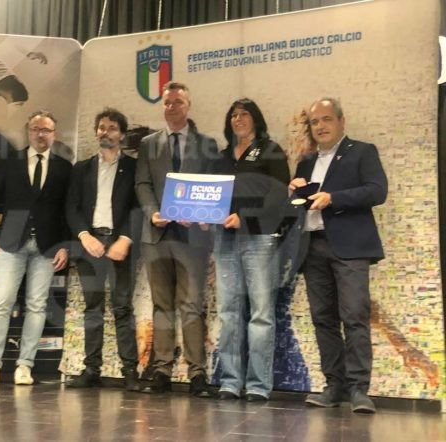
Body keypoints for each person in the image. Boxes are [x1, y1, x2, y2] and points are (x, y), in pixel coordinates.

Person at [288, 98, 387, 413]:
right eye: (315, 121)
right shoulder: (306, 161)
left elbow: (377, 191)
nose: (320, 126)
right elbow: (302, 204)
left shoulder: (362, 151)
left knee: (354, 316)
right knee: (323, 319)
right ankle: (334, 386)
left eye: (327, 119)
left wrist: (334, 198)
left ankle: (359, 390)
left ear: (341, 121)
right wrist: (294, 191)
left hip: (350, 247)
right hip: (312, 246)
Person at [0, 110, 72, 385]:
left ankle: (25, 366)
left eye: (46, 130)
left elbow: (68, 210)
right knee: (2, 301)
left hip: (48, 245)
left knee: (37, 306)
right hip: (11, 241)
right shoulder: (10, 162)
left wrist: (65, 245)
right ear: (28, 131)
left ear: (54, 134)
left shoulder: (65, 168)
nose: (41, 134)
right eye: (36, 129)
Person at [134, 81, 218, 397]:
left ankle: (197, 374)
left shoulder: (207, 144)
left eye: (178, 102)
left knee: (192, 305)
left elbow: (214, 187)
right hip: (156, 235)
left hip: (193, 237)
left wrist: (200, 213)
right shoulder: (148, 144)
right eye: (167, 102)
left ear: (189, 105)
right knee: (162, 305)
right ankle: (162, 371)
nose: (172, 107)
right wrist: (152, 212)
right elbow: (142, 183)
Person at [211, 98, 290, 402]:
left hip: (259, 238)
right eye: (233, 115)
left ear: (256, 119)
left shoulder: (270, 150)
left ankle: (258, 385)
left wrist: (244, 218)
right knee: (228, 312)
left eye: (244, 114)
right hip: (225, 241)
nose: (238, 119)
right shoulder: (220, 157)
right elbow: (210, 196)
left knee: (261, 313)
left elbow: (278, 196)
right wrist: (205, 217)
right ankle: (230, 381)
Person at [65, 108, 140, 391]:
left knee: (123, 308)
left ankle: (130, 372)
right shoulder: (81, 168)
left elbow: (138, 207)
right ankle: (91, 370)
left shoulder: (134, 168)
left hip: (121, 244)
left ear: (122, 134)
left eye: (112, 128)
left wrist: (125, 239)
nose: (105, 132)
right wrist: (84, 236)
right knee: (92, 308)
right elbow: (71, 207)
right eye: (101, 127)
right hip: (90, 244)